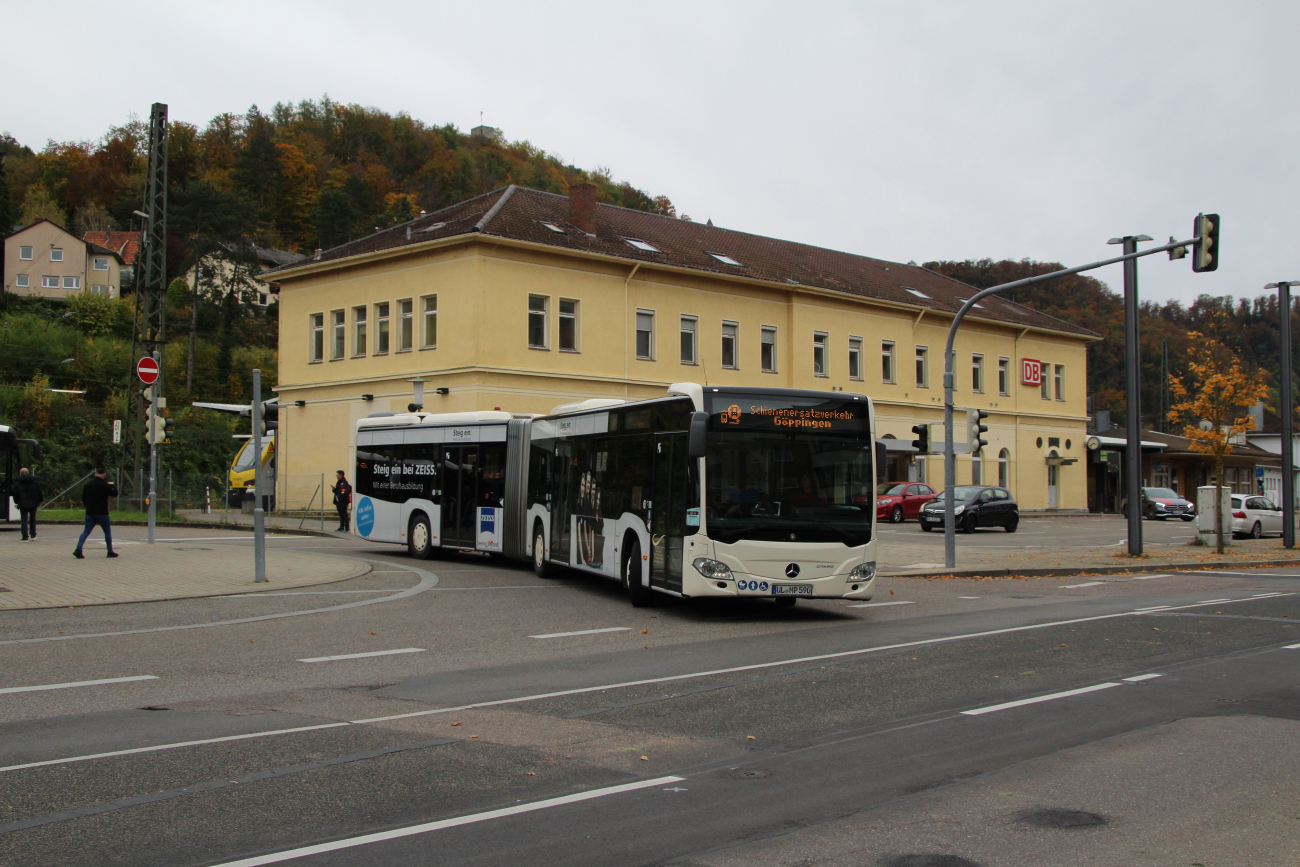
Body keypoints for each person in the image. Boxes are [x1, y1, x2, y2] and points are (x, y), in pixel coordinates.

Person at [74, 468, 118, 559]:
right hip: (102, 513)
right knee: (107, 532)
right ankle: (110, 551)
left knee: (86, 531)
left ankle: (78, 549)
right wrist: (113, 485)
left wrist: (88, 507)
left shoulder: (87, 485)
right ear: (104, 475)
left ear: (95, 474)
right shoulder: (104, 485)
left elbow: (84, 498)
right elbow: (115, 493)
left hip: (90, 513)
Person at [13, 467, 43, 541]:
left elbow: (15, 493)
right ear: (28, 473)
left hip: (23, 503)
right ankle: (33, 534)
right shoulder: (34, 481)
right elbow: (40, 492)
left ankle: (25, 537)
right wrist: (40, 501)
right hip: (33, 503)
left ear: (20, 474)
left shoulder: (17, 482)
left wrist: (17, 502)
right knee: (32, 518)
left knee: (24, 519)